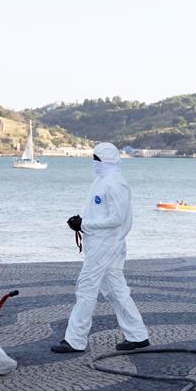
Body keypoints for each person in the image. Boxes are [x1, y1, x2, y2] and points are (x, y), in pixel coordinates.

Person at [51, 142, 150, 353]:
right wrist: (81, 220)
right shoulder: (102, 180)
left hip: (107, 244)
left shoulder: (116, 184)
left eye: (97, 159)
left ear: (106, 160)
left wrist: (84, 224)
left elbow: (117, 218)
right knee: (116, 290)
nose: (94, 163)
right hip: (98, 243)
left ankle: (75, 339)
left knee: (86, 287)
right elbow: (100, 212)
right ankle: (138, 335)